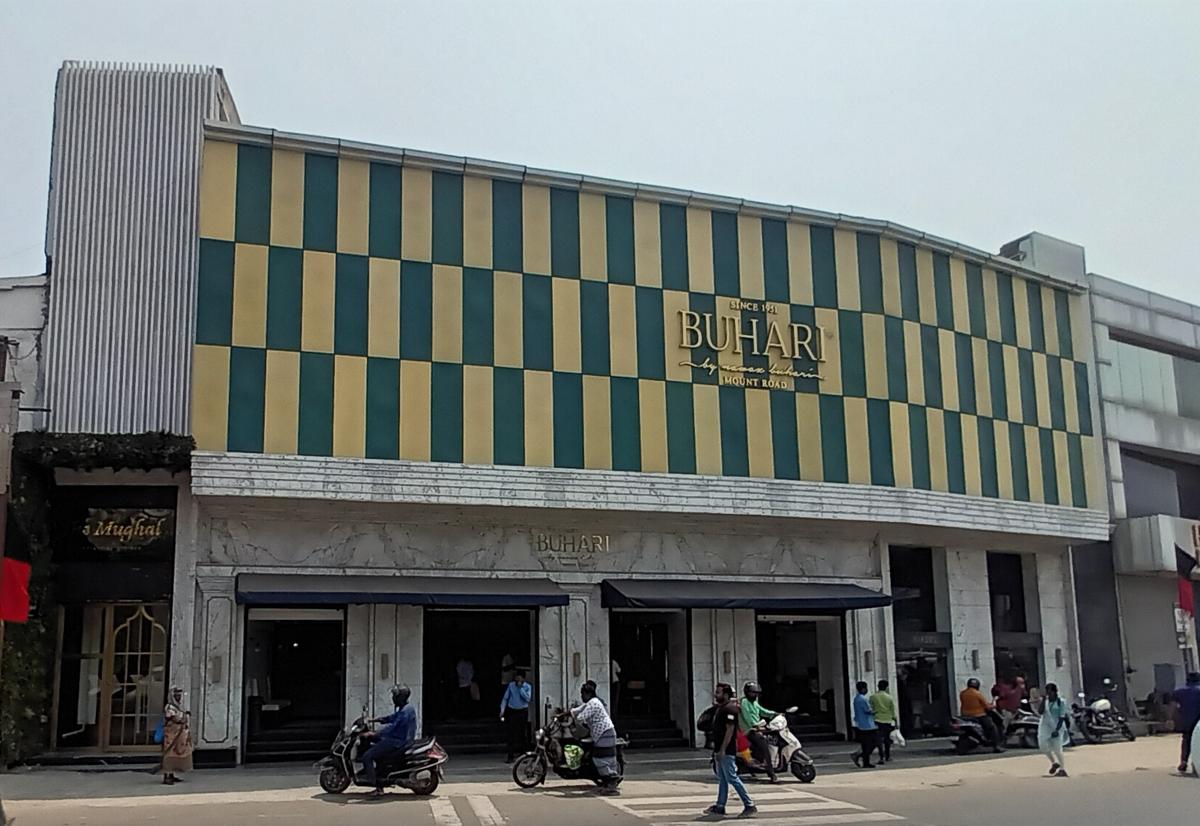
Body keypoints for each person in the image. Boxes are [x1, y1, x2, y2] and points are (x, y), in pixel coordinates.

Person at [704, 683, 757, 817]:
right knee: (723, 778)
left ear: (726, 695)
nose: (716, 695)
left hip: (727, 750)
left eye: (718, 692)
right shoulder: (721, 708)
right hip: (719, 749)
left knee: (732, 777)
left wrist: (722, 750)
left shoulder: (730, 709)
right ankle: (720, 805)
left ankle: (749, 805)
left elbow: (730, 730)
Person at [360, 684, 417, 793]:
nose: (393, 698)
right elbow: (392, 718)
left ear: (400, 697)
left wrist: (374, 733)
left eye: (395, 696)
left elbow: (392, 727)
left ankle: (375, 785)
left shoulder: (405, 712)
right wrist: (375, 720)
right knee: (376, 749)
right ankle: (378, 773)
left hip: (397, 742)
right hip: (400, 740)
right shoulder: (407, 708)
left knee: (367, 756)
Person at [571, 681, 621, 794]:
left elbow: (580, 717)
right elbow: (576, 710)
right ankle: (607, 783)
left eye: (582, 694)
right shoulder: (591, 702)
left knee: (601, 759)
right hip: (602, 734)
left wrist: (573, 722)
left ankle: (611, 784)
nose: (581, 696)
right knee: (602, 758)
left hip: (605, 733)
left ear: (588, 694)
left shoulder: (593, 703)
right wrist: (564, 714)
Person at [739, 681, 779, 782]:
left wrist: (775, 714)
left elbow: (762, 711)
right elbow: (747, 717)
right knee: (764, 746)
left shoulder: (754, 703)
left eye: (756, 693)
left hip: (757, 729)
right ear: (747, 692)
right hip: (749, 731)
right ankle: (771, 773)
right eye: (752, 693)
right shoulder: (744, 702)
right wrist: (756, 725)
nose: (755, 695)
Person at [160, 685, 193, 785]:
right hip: (171, 737)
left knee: (178, 755)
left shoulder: (179, 707)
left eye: (179, 694)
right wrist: (183, 716)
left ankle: (172, 774)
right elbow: (175, 718)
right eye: (176, 694)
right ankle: (167, 776)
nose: (178, 696)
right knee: (170, 755)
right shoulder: (169, 707)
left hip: (180, 736)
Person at [959, 678, 1001, 753]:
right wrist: (994, 704)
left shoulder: (962, 693)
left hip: (965, 716)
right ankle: (996, 745)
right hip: (979, 715)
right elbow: (988, 707)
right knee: (992, 727)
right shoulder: (977, 694)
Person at [500, 670, 533, 763]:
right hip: (512, 711)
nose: (517, 679)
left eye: (519, 678)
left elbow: (528, 698)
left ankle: (523, 756)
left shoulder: (527, 687)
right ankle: (510, 756)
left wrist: (521, 689)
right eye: (516, 677)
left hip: (522, 711)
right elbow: (505, 698)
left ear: (523, 679)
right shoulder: (511, 685)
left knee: (522, 734)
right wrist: (502, 710)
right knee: (511, 734)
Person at [1038, 682, 1070, 777]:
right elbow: (1040, 712)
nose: (1049, 694)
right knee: (1042, 745)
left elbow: (1062, 717)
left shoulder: (1061, 702)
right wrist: (1044, 700)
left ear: (1055, 692)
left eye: (1050, 691)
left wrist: (1057, 730)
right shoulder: (1046, 701)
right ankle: (1054, 762)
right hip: (1045, 726)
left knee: (1057, 749)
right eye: (1047, 691)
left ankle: (1062, 769)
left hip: (1057, 726)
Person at [1171, 672, 1200, 774]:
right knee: (1198, 742)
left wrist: (1172, 719)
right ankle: (1196, 762)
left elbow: (1173, 706)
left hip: (1186, 721)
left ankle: (1184, 761)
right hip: (1198, 721)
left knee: (1186, 740)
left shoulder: (1179, 691)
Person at [870, 680, 898, 764]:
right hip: (888, 720)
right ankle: (888, 756)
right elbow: (893, 711)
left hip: (877, 720)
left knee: (879, 739)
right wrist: (895, 721)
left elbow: (870, 708)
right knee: (887, 739)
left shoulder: (873, 697)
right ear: (886, 687)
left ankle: (881, 756)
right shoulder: (889, 697)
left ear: (878, 686)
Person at [851, 681, 878, 768]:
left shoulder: (856, 699)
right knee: (873, 742)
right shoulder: (863, 699)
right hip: (868, 725)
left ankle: (865, 761)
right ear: (863, 689)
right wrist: (875, 710)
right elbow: (868, 710)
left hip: (861, 724)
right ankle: (860, 756)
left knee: (865, 744)